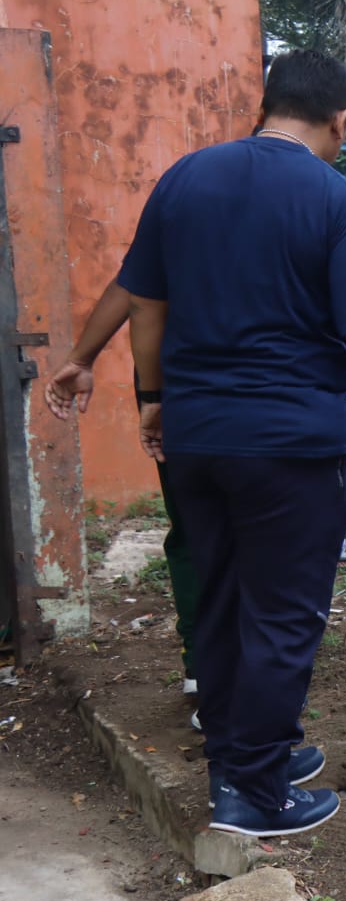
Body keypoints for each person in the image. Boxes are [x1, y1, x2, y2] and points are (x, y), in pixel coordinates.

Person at [119, 50, 346, 836]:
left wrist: (153, 400)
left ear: (268, 104)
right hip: (288, 443)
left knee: (221, 599)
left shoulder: (184, 179)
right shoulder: (340, 200)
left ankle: (245, 754)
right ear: (340, 120)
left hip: (195, 434)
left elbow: (146, 305)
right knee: (282, 613)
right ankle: (253, 793)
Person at [46, 280, 202, 700]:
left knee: (194, 525)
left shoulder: (172, 230)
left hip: (182, 374)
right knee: (261, 528)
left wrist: (85, 360)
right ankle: (257, 671)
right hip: (271, 376)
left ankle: (206, 664)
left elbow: (139, 288)